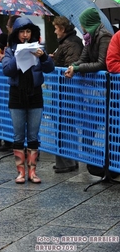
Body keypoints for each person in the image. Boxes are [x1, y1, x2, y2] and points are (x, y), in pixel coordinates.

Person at [2, 17, 55, 184]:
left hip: (35, 95)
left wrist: (44, 56)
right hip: (17, 96)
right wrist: (17, 57)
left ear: (33, 33)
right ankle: (20, 173)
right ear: (16, 34)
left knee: (33, 135)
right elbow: (7, 71)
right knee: (18, 135)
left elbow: (50, 68)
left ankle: (32, 172)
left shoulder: (38, 49)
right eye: (22, 32)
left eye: (28, 31)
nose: (25, 35)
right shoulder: (10, 50)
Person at [64, 7, 112, 157]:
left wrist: (77, 69)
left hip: (108, 89)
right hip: (96, 90)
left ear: (88, 22)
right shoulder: (90, 36)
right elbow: (83, 59)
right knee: (91, 120)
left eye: (82, 23)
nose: (81, 26)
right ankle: (87, 151)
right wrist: (72, 66)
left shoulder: (104, 36)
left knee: (110, 125)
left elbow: (101, 64)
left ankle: (110, 157)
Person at [50, 16, 84, 173]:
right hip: (65, 91)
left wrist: (56, 62)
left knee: (65, 124)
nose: (55, 31)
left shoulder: (71, 43)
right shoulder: (69, 42)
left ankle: (67, 162)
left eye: (56, 28)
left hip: (67, 91)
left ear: (62, 29)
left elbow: (71, 64)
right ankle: (67, 160)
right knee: (64, 124)